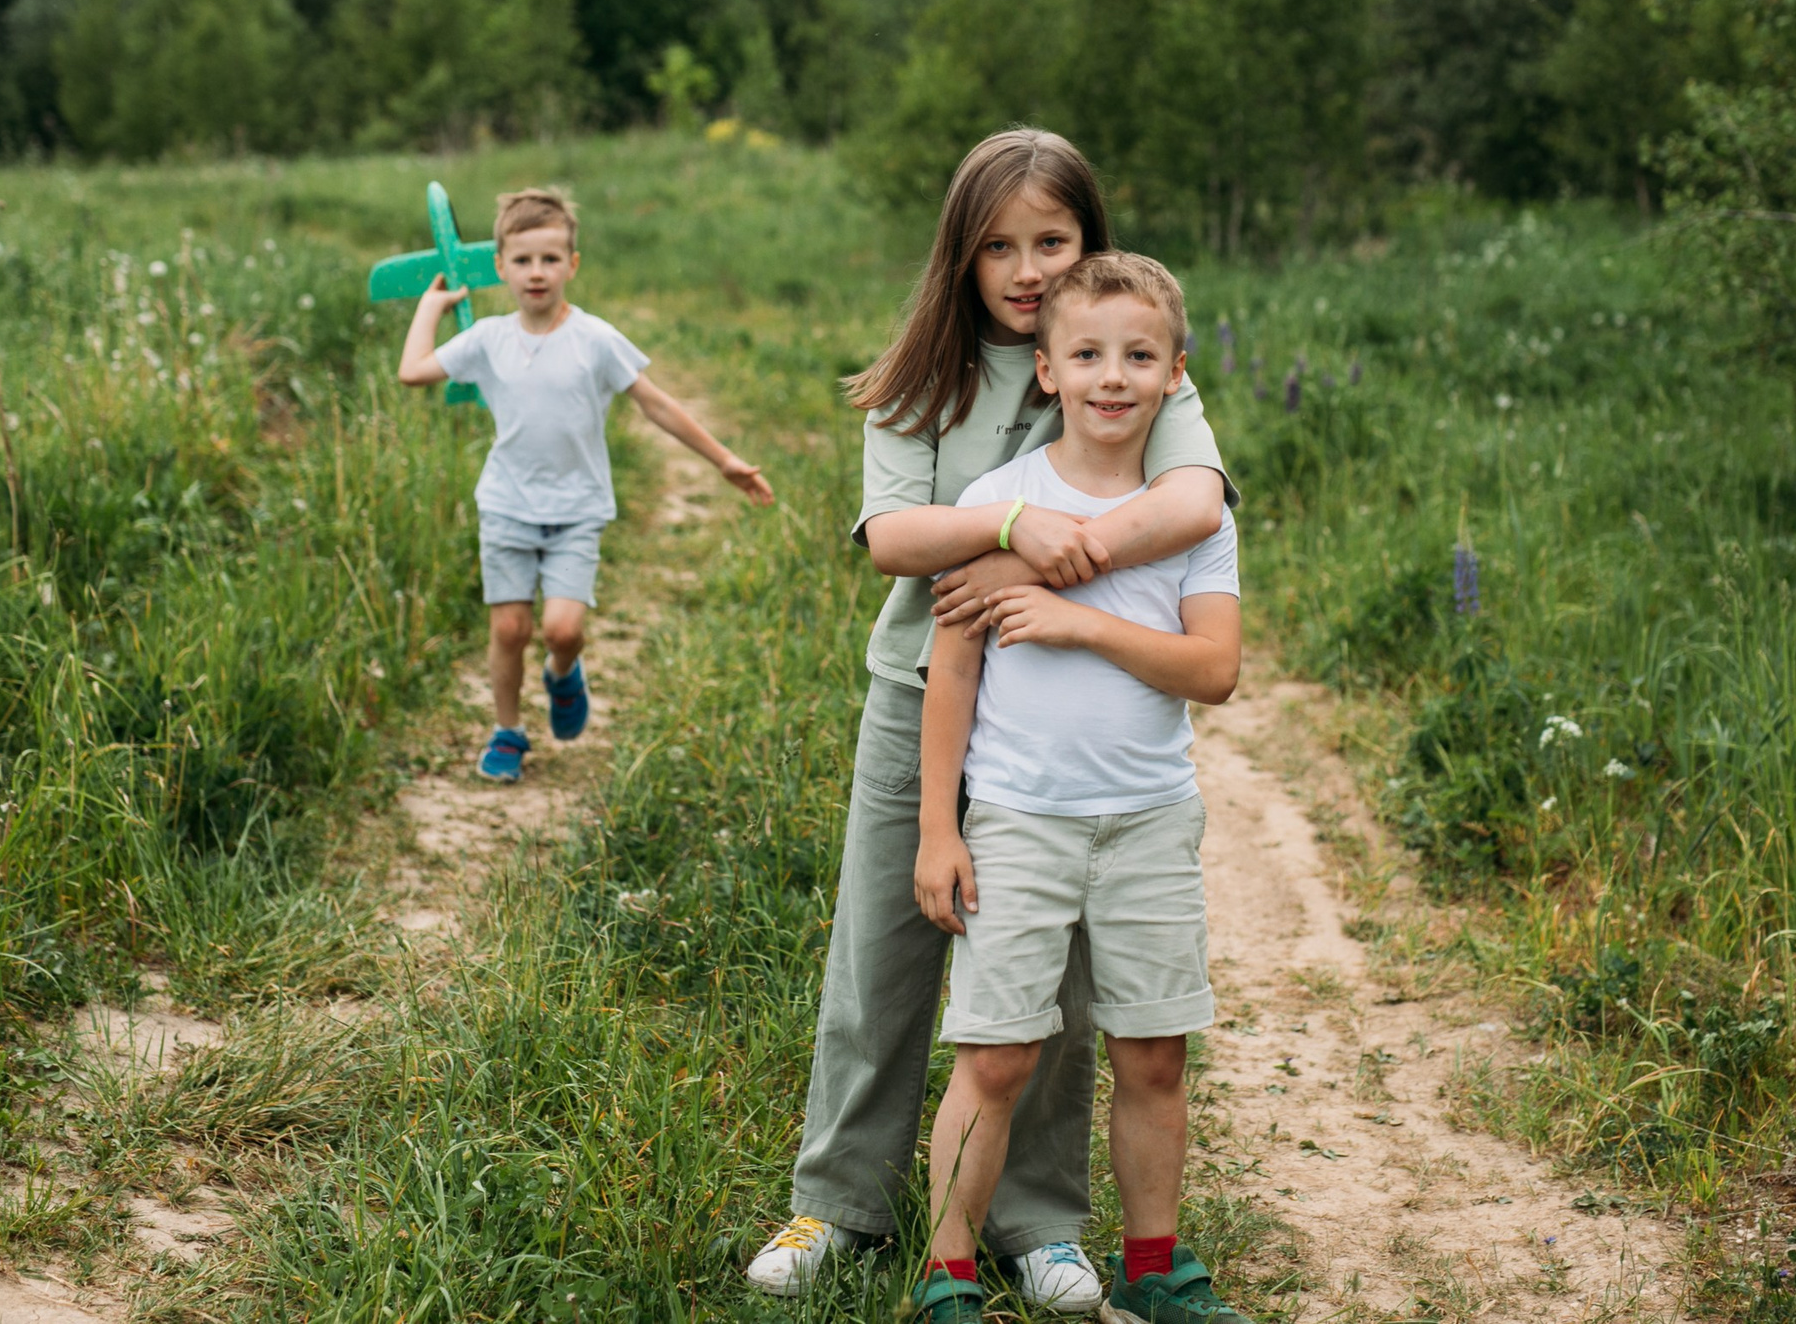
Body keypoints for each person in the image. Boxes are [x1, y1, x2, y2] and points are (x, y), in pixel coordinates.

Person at [747, 131, 1236, 1312]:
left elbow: (1191, 503)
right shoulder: (924, 376)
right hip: (925, 696)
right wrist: (1014, 530)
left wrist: (1037, 574)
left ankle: (1037, 1222)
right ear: (960, 255)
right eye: (998, 247)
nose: (1026, 270)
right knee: (884, 953)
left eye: (1051, 241)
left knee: (1053, 980)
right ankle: (840, 1200)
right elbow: (893, 539)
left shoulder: (1127, 354)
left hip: (1059, 719)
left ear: (1089, 241)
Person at [905, 251, 1245, 1324]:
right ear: (1046, 369)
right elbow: (951, 678)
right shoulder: (998, 503)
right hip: (1019, 820)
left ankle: (1154, 1270)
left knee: (1152, 1054)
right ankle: (948, 1275)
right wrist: (938, 829)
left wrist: (1081, 623)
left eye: (1139, 356)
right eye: (1087, 354)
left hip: (1149, 818)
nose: (1113, 376)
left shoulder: (1192, 514)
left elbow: (1215, 670)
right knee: (998, 1055)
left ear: (1175, 373)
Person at [397, 185, 773, 780]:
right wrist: (431, 307)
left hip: (577, 510)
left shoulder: (595, 339)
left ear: (572, 264)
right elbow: (412, 371)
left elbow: (656, 403)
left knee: (562, 630)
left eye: (550, 259)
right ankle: (507, 731)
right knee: (509, 628)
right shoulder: (489, 338)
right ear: (500, 266)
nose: (536, 272)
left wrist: (723, 460)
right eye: (522, 260)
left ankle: (563, 673)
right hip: (506, 506)